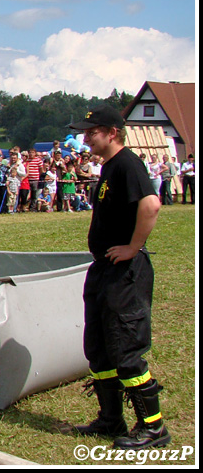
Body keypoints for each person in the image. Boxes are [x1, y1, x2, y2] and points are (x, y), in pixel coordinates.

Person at [69, 104, 169, 450]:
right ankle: (111, 419)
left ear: (112, 132)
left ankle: (153, 428)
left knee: (126, 347)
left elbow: (151, 204)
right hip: (104, 270)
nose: (86, 138)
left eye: (91, 132)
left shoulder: (128, 164)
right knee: (99, 347)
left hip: (125, 271)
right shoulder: (109, 167)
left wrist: (133, 246)